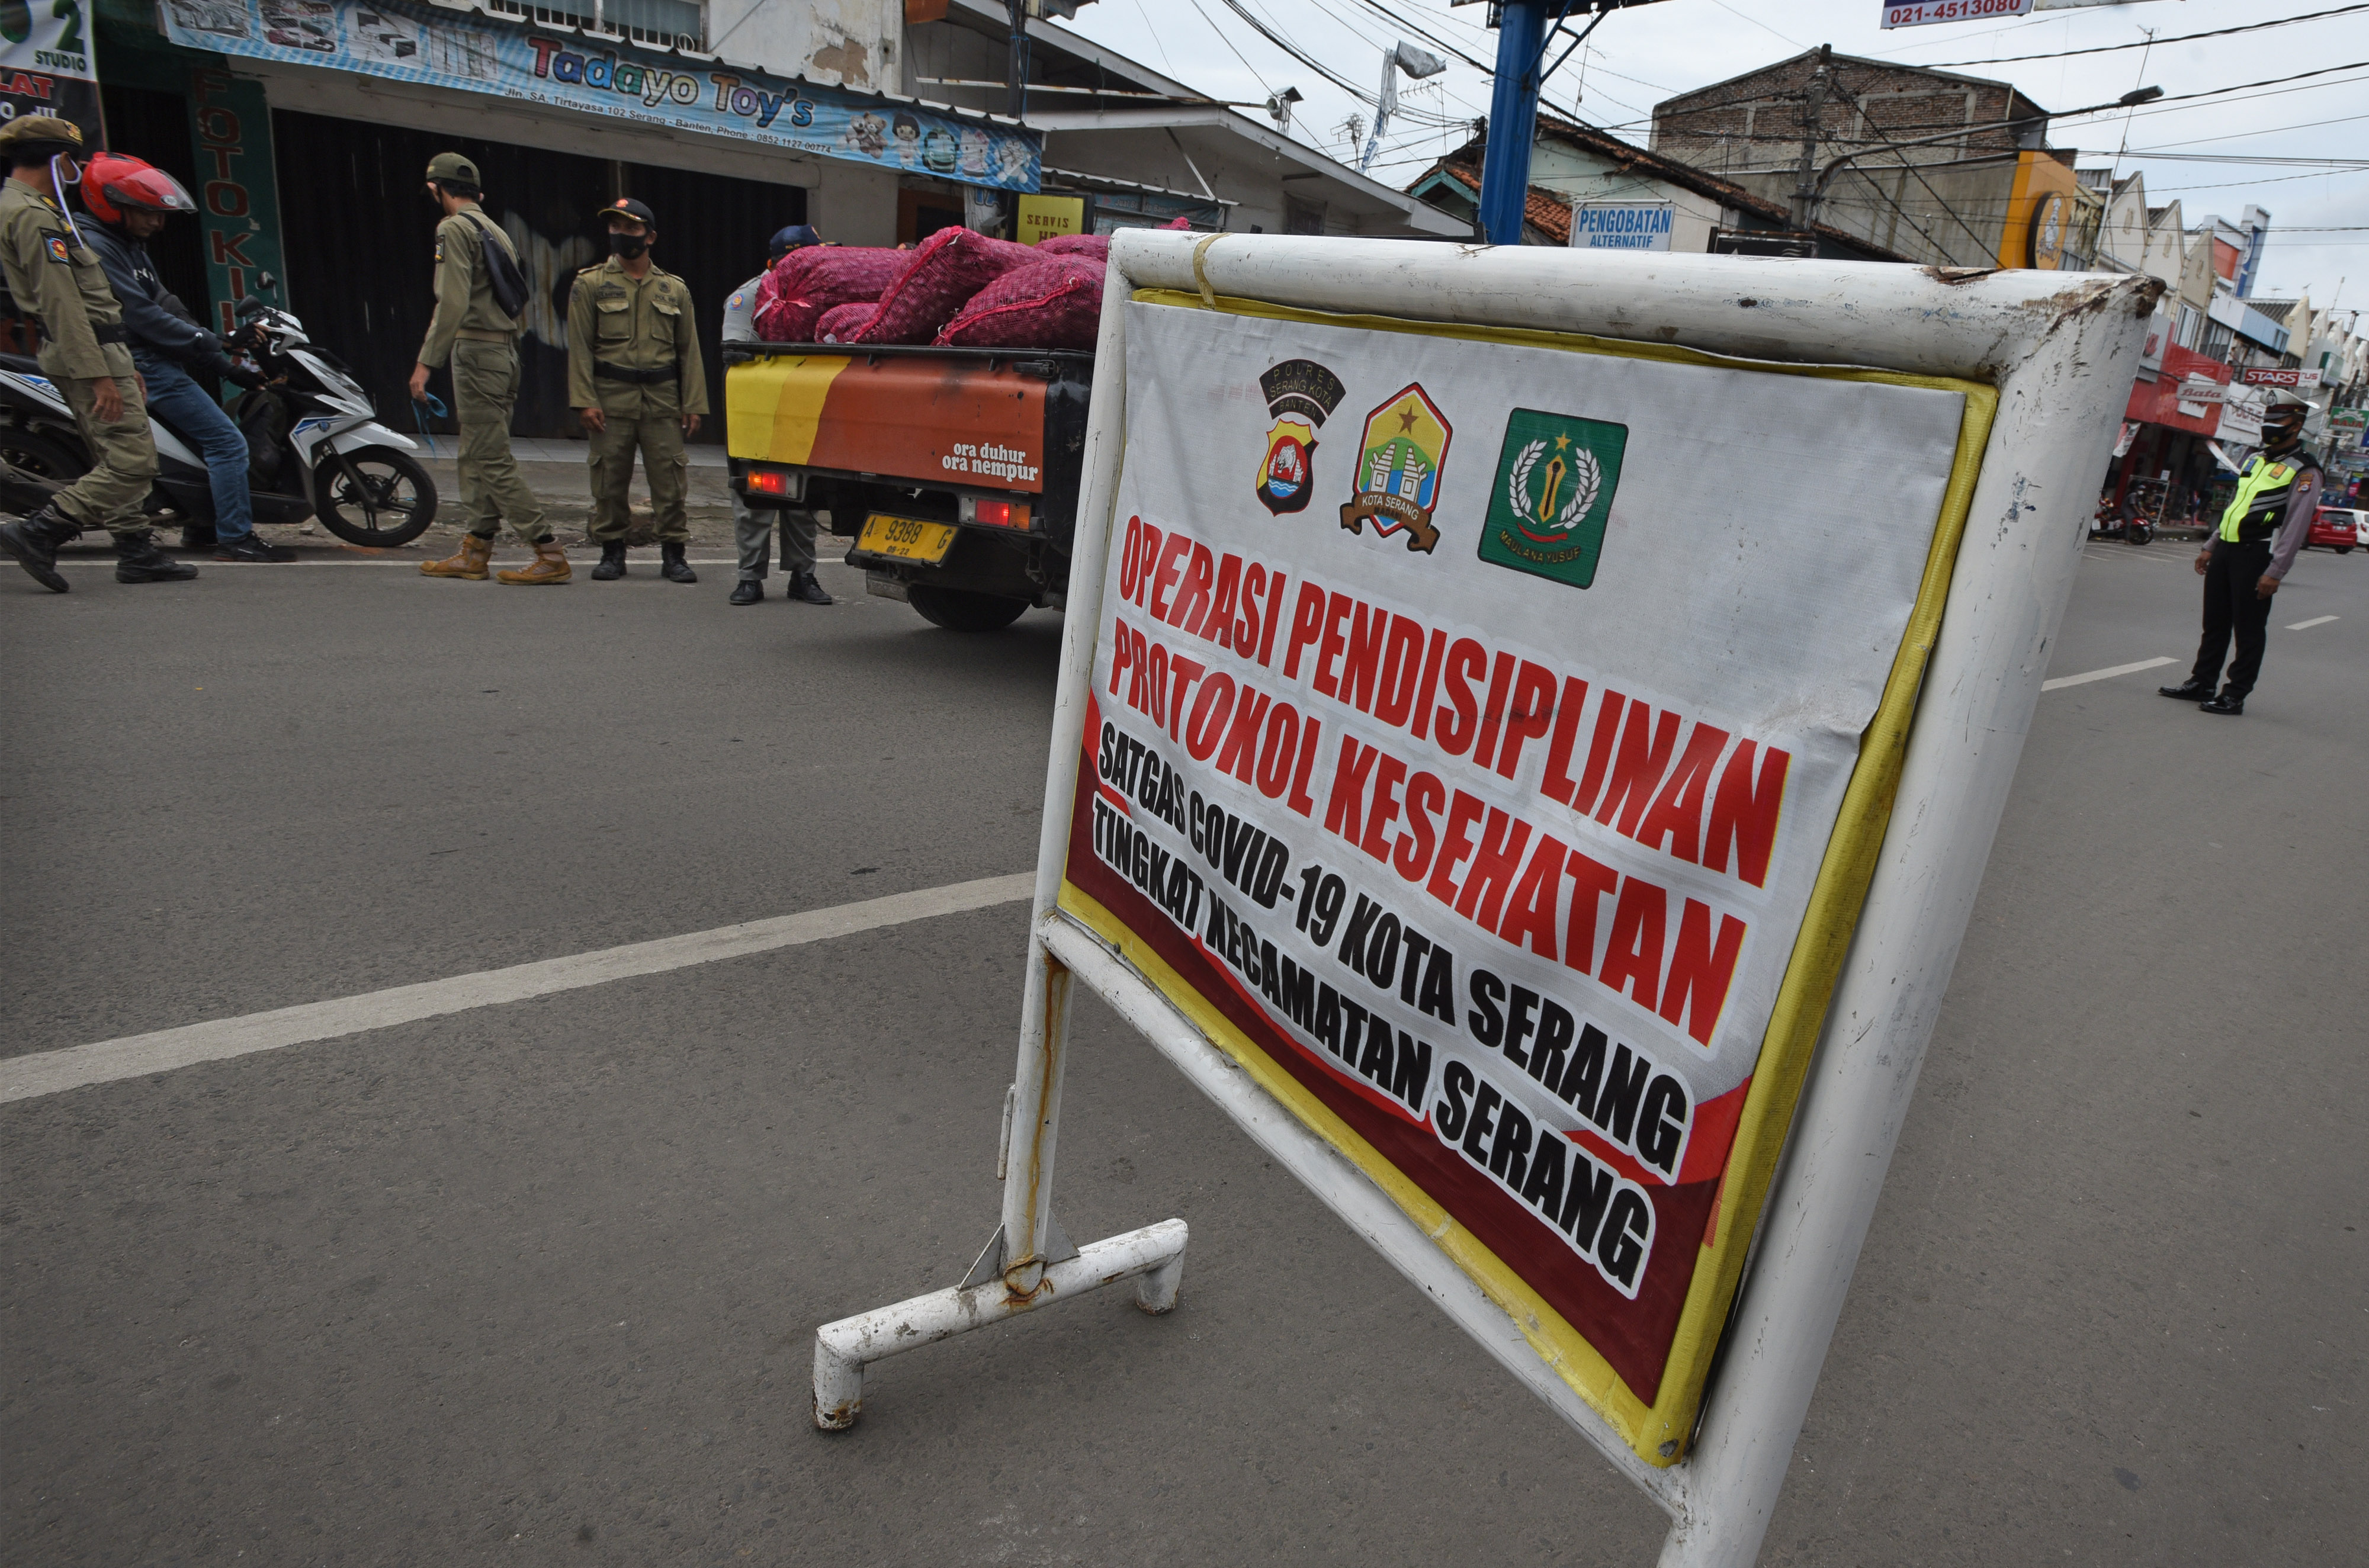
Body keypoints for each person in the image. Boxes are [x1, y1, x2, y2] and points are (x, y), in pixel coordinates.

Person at [0, 115, 197, 592]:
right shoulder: (33, 215)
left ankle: (136, 551)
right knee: (134, 461)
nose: (75, 167)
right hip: (86, 353)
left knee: (114, 451)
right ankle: (40, 530)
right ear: (58, 158)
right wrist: (100, 376)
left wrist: (121, 367)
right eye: (70, 158)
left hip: (100, 350)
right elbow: (63, 304)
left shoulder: (35, 206)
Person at [79, 152, 291, 564]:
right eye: (147, 213)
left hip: (155, 359)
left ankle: (201, 528)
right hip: (141, 365)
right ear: (111, 204)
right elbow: (145, 318)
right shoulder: (98, 248)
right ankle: (235, 538)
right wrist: (218, 341)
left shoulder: (131, 246)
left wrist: (225, 356)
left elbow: (166, 307)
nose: (158, 223)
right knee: (227, 443)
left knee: (204, 440)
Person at [410, 152, 569, 586]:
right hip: (503, 353)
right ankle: (476, 549)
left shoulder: (453, 228)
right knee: (475, 452)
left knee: (490, 457)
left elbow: (453, 302)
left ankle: (548, 549)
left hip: (477, 353)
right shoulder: (495, 230)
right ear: (477, 192)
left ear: (435, 189)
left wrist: (426, 363)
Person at [2158, 390, 2321, 716]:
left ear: (2297, 425)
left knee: (2248, 630)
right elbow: (2236, 506)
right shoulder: (2255, 459)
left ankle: (2235, 694)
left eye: (2278, 420)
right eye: (2267, 419)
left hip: (2257, 554)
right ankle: (2202, 682)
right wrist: (2211, 546)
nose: (2269, 425)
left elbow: (2295, 526)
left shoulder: (2306, 470)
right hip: (2227, 550)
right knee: (2215, 623)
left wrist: (2276, 572)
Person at [567, 197, 705, 583]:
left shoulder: (673, 289)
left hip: (662, 399)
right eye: (615, 228)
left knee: (671, 482)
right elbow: (579, 346)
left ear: (650, 236)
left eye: (631, 229)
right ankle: (612, 552)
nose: (621, 235)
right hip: (610, 399)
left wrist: (693, 403)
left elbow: (688, 350)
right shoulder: (590, 284)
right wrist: (584, 400)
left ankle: (674, 555)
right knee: (609, 480)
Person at [723, 223, 831, 607]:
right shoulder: (749, 296)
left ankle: (804, 576)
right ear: (775, 263)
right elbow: (734, 357)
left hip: (805, 412)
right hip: (760, 412)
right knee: (755, 498)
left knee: (804, 499)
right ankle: (750, 578)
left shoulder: (825, 296)